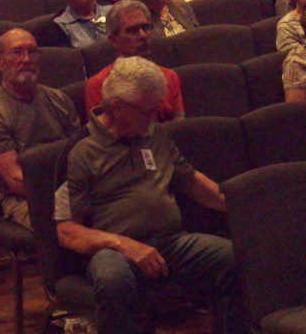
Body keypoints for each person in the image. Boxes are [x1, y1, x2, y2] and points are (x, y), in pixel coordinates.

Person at [54, 57, 242, 334]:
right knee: (113, 279)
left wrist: (242, 209)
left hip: (169, 243)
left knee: (235, 258)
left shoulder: (155, 136)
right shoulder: (81, 151)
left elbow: (191, 182)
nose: (154, 118)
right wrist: (124, 245)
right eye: (147, 111)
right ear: (116, 107)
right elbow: (67, 231)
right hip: (111, 250)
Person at [0, 28, 81, 227]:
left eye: (32, 51)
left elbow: (81, 152)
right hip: (27, 200)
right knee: (74, 227)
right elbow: (16, 181)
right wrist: (73, 192)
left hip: (71, 188)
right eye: (17, 52)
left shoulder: (59, 99)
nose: (26, 59)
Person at [84, 5, 184, 120]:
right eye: (132, 31)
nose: (143, 35)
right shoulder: (97, 85)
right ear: (113, 40)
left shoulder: (169, 77)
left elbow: (177, 129)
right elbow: (103, 135)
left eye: (145, 27)